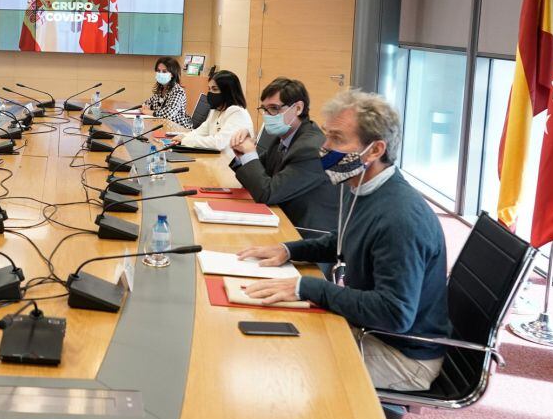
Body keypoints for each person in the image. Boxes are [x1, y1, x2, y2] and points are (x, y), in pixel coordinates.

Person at [239, 89, 450, 392]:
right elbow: (345, 240)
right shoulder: (367, 187)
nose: (324, 148)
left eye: (337, 139)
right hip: (372, 330)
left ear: (375, 150)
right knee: (277, 338)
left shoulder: (400, 217)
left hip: (404, 355)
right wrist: (288, 249)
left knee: (286, 367)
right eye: (327, 136)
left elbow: (394, 313)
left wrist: (308, 287)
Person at [229, 77, 338, 240]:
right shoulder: (284, 136)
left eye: (274, 108)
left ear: (298, 108)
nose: (267, 116)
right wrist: (243, 153)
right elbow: (260, 179)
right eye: (264, 109)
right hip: (282, 219)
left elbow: (267, 193)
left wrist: (251, 154)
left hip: (307, 236)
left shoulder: (310, 148)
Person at [174, 69, 253, 150]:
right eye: (209, 89)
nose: (210, 93)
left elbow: (219, 143)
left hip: (232, 161)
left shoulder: (237, 113)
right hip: (218, 158)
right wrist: (183, 137)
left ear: (227, 92)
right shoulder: (217, 110)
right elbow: (201, 132)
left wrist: (186, 140)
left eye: (214, 89)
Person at [140, 57, 191, 128]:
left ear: (172, 74)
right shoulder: (161, 89)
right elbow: (146, 103)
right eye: (158, 71)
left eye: (164, 71)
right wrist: (145, 107)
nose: (160, 73)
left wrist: (150, 112)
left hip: (178, 128)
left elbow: (169, 114)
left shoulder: (178, 91)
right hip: (162, 125)